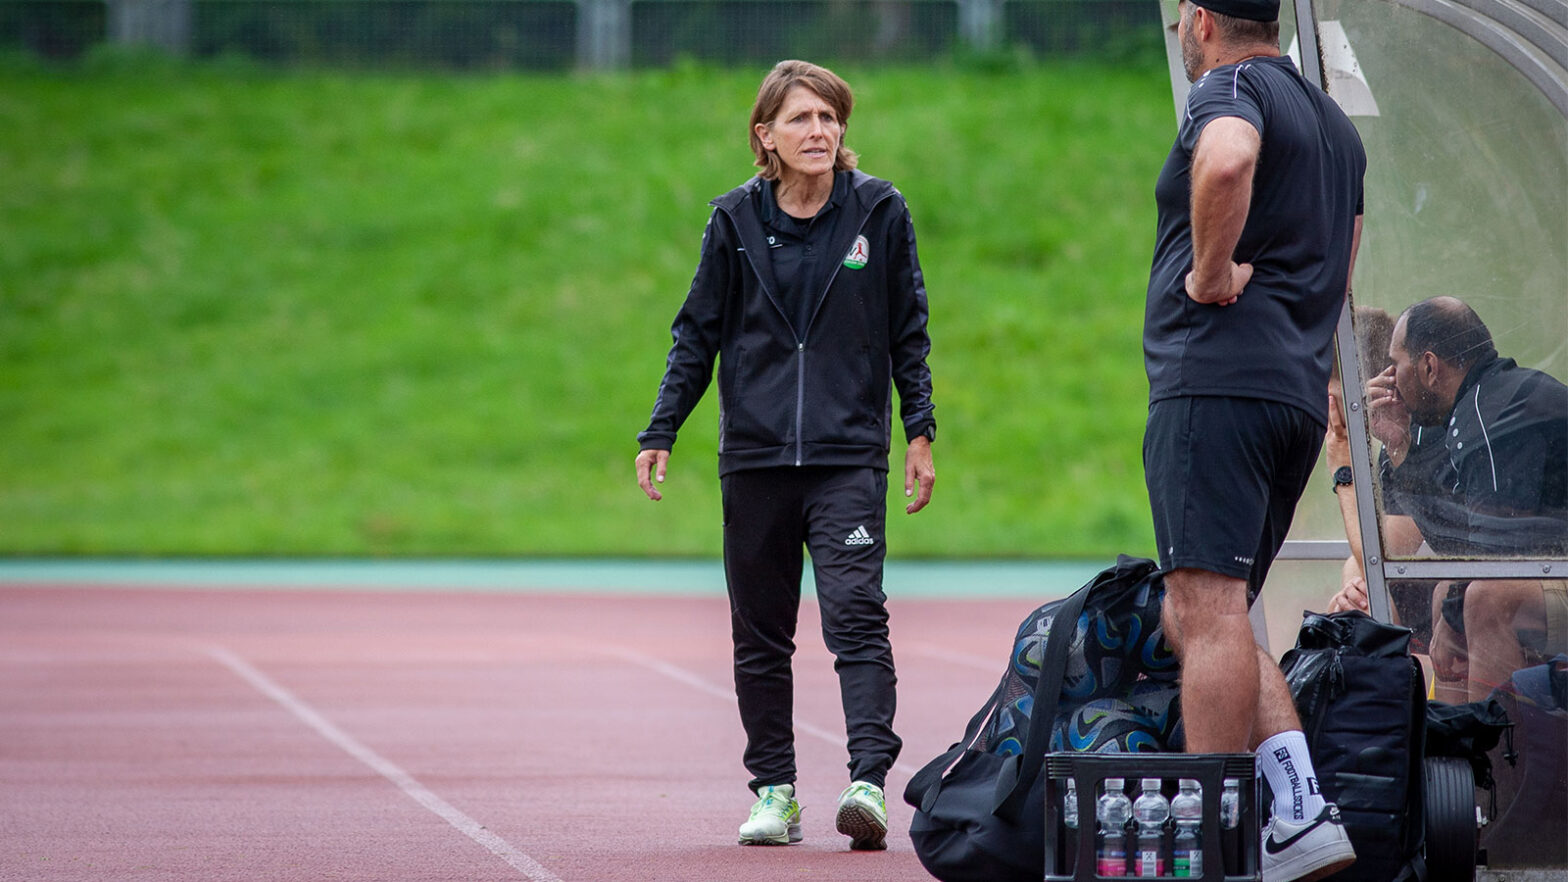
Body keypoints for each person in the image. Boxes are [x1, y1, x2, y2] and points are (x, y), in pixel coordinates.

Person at [633, 60, 936, 852]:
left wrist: (921, 433)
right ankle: (775, 792)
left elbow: (909, 328)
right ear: (765, 135)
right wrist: (661, 428)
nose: (820, 133)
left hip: (848, 457)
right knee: (759, 633)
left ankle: (868, 781)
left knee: (856, 619)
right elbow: (696, 332)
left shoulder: (880, 210)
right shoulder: (733, 220)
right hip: (758, 458)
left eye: (831, 119)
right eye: (802, 119)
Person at [1142, 2, 1365, 880]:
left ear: (1199, 20)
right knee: (1207, 613)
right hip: (1292, 396)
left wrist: (1205, 273)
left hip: (1218, 382)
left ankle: (1208, 843)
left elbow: (1228, 158)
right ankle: (1299, 811)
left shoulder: (1228, 86)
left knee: (1204, 617)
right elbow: (1347, 257)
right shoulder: (1337, 125)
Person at [1328, 297, 1568, 703]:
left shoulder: (1491, 419)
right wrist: (1400, 449)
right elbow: (1460, 539)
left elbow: (1495, 560)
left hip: (1539, 573)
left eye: (1396, 363)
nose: (1388, 378)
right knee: (1453, 593)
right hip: (1542, 571)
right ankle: (1454, 752)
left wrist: (1344, 465)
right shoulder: (1477, 407)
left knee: (1483, 598)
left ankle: (1487, 756)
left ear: (1428, 367)